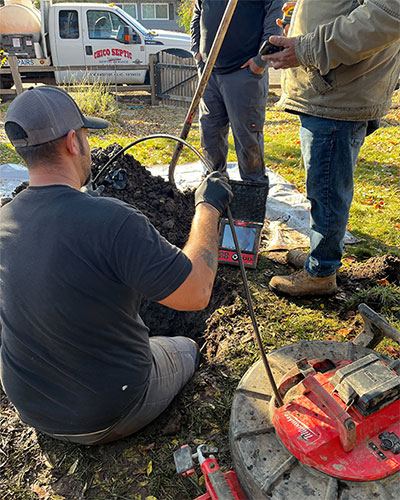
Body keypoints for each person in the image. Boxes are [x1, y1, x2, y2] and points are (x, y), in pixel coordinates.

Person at [0, 86, 232, 445]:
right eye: (85, 136)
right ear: (72, 143)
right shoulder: (112, 221)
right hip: (105, 410)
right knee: (185, 346)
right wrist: (208, 207)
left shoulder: (4, 220)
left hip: (31, 405)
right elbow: (197, 291)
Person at [261, 0, 400, 296]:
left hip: (337, 96)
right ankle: (321, 255)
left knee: (327, 190)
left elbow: (387, 14)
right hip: (331, 91)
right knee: (323, 186)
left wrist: (308, 48)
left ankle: (321, 272)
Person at [190, 0, 283, 184]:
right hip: (209, 73)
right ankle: (215, 189)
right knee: (210, 134)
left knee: (248, 138)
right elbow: (198, 12)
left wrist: (260, 61)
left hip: (243, 72)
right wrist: (197, 50)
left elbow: (275, 16)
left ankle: (251, 191)